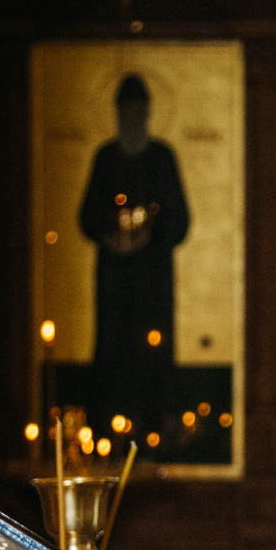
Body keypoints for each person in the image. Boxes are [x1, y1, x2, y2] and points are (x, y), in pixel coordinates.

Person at [77, 74, 192, 441]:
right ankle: (106, 426)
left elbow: (180, 219)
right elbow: (87, 217)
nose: (133, 116)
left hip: (152, 275)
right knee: (112, 345)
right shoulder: (106, 158)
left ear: (148, 113)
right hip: (114, 277)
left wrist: (149, 234)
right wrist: (113, 233)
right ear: (117, 113)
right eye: (126, 109)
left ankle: (155, 425)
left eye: (138, 109)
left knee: (153, 347)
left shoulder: (162, 158)